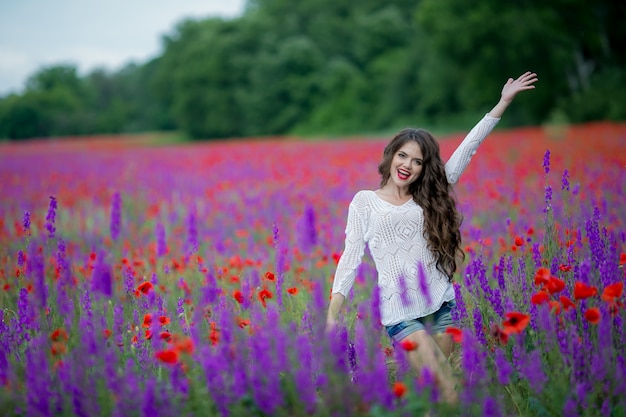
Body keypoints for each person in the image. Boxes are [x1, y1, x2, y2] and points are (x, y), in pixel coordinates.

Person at [326, 71, 538, 403]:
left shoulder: (428, 195)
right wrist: (332, 313)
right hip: (400, 314)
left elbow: (468, 148)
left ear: (425, 168)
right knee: (450, 391)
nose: (407, 165)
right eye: (402, 156)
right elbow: (349, 262)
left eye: (417, 161)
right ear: (390, 155)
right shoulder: (364, 202)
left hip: (441, 304)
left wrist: (503, 102)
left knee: (435, 397)